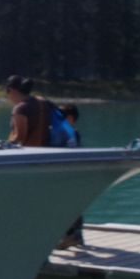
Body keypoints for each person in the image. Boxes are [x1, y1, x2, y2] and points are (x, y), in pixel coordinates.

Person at [57, 104, 86, 249]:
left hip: (68, 173)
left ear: (70, 118)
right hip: (75, 172)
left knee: (67, 205)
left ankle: (70, 235)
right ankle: (76, 235)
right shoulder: (74, 133)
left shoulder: (67, 133)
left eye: (60, 117)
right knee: (74, 205)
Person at [4, 75, 47, 147]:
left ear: (11, 90)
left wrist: (5, 144)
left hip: (27, 151)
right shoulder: (41, 102)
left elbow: (19, 138)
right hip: (45, 149)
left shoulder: (20, 108)